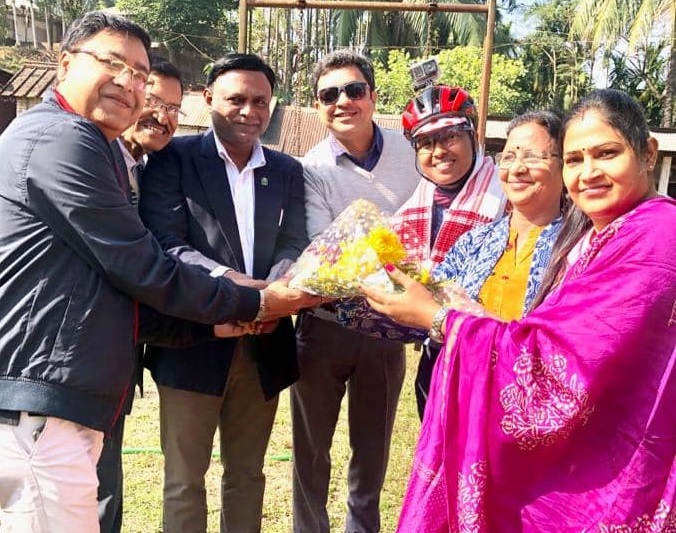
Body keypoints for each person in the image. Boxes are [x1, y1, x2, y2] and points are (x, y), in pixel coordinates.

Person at [0, 13, 308, 533]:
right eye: (111, 63)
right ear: (65, 63)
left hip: (69, 393)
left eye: (140, 75)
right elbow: (144, 263)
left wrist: (224, 318)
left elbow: (114, 286)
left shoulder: (92, 144)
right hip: (41, 401)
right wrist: (253, 301)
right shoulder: (64, 139)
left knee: (244, 473)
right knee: (180, 481)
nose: (129, 83)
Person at [362, 89, 675, 530]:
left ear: (647, 153)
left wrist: (441, 319)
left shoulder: (652, 237)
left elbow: (559, 361)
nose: (589, 173)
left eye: (607, 153)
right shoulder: (569, 237)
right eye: (576, 159)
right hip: (495, 412)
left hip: (603, 460)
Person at [138, 53, 312, 533]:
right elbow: (167, 243)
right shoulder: (172, 159)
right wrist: (241, 288)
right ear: (208, 98)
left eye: (261, 101)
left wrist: (276, 288)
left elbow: (294, 241)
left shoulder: (286, 169)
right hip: (192, 341)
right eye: (236, 99)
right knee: (184, 480)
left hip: (264, 343)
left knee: (248, 475)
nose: (249, 111)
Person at [291, 50, 419, 533]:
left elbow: (425, 233)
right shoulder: (310, 168)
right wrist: (395, 251)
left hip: (388, 328)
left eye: (353, 90)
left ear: (373, 96)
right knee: (310, 450)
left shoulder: (413, 154)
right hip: (322, 325)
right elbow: (324, 249)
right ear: (318, 106)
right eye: (329, 94)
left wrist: (373, 247)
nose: (342, 101)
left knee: (372, 449)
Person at [337, 85, 507, 419]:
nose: (438, 151)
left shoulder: (507, 196)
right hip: (438, 353)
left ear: (473, 136)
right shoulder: (417, 205)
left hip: (493, 354)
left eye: (450, 136)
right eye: (425, 143)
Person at [412, 109, 564, 417]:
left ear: (565, 164)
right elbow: (433, 296)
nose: (517, 168)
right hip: (460, 396)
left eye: (532, 156)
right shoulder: (475, 241)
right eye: (509, 157)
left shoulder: (578, 247)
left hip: (531, 409)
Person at [95, 55, 185, 533]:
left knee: (106, 480)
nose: (162, 117)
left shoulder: (145, 170)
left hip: (121, 354)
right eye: (154, 101)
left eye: (174, 108)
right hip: (81, 357)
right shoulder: (97, 165)